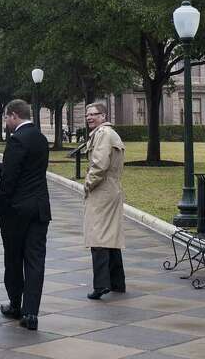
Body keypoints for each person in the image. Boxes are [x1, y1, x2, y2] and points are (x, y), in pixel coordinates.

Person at [0, 98, 50, 331]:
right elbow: (30, 169)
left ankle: (15, 304)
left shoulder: (16, 140)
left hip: (17, 211)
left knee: (13, 258)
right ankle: (31, 312)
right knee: (35, 261)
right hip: (39, 207)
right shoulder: (40, 139)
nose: (6, 122)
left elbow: (10, 179)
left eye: (6, 117)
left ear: (14, 115)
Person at [82, 101, 125, 299]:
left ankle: (101, 285)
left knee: (97, 236)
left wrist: (87, 184)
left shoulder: (103, 135)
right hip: (111, 188)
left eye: (94, 114)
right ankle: (117, 282)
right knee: (110, 236)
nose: (89, 117)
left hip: (103, 189)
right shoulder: (108, 134)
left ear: (104, 116)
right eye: (88, 114)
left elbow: (99, 165)